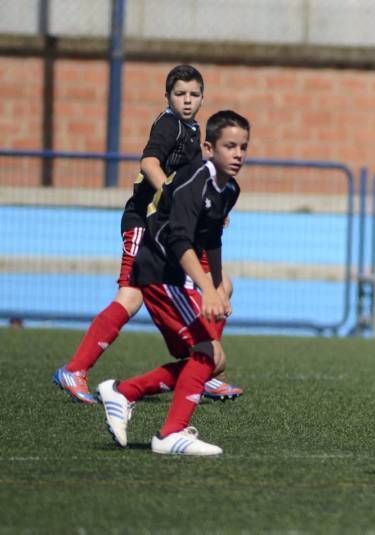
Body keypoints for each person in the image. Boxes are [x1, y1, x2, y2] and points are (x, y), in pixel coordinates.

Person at [52, 65, 243, 404]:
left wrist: (206, 211)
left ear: (202, 98)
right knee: (130, 297)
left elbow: (198, 181)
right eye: (179, 94)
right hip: (143, 222)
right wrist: (174, 197)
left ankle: (205, 369)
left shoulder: (193, 128)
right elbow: (149, 164)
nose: (187, 100)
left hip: (168, 227)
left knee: (221, 284)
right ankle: (76, 369)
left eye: (194, 94)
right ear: (167, 96)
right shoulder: (170, 124)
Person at [95, 109, 249, 456]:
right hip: (160, 270)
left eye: (243, 147)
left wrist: (219, 280)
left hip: (177, 274)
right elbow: (179, 239)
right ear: (209, 148)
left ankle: (124, 392)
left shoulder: (230, 189)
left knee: (211, 359)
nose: (238, 154)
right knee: (207, 353)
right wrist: (207, 288)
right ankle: (170, 434)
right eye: (229, 146)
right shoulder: (196, 180)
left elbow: (210, 237)